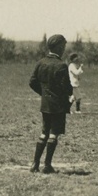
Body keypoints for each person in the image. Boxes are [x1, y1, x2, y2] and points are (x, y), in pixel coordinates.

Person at [28, 35, 73, 173]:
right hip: (58, 105)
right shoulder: (61, 65)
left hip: (45, 104)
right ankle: (47, 165)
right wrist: (67, 97)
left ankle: (35, 164)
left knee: (44, 133)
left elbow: (32, 82)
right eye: (63, 47)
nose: (64, 49)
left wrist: (43, 93)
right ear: (59, 47)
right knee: (54, 134)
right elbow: (67, 87)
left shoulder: (41, 62)